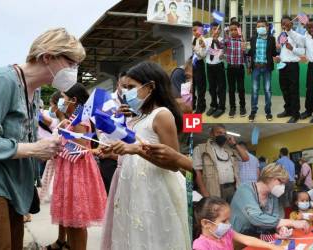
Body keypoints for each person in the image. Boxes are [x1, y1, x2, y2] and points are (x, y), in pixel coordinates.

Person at [0, 28, 83, 250]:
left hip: (13, 189)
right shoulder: (4, 80)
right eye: (71, 63)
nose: (74, 70)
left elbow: (24, 140)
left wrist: (48, 148)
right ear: (47, 56)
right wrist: (33, 149)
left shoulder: (34, 90)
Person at [101, 61, 191, 250]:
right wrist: (114, 152)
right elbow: (131, 155)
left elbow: (174, 164)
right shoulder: (136, 117)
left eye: (131, 87)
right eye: (124, 87)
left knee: (154, 239)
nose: (126, 92)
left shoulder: (162, 115)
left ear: (150, 87)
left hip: (155, 189)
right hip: (133, 188)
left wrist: (134, 150)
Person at [49, 83, 107, 250]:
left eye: (63, 98)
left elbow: (81, 148)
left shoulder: (81, 119)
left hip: (77, 171)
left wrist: (57, 144)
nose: (61, 101)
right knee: (71, 220)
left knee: (77, 221)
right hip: (69, 169)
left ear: (73, 100)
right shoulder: (74, 118)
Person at [230, 164, 310, 237]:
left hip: (259, 237)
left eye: (284, 184)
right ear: (269, 177)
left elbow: (276, 218)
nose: (282, 187)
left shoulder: (272, 194)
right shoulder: (245, 190)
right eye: (280, 182)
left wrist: (281, 228)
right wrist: (292, 222)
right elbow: (256, 218)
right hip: (239, 239)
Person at [193, 196, 282, 250]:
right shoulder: (200, 245)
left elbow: (247, 240)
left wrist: (271, 246)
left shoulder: (226, 232)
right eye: (224, 221)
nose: (229, 224)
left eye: (229, 219)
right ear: (205, 223)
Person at [193, 124, 249, 203]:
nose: (222, 135)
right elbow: (197, 172)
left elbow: (246, 158)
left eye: (224, 134)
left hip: (232, 188)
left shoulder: (230, 150)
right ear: (211, 134)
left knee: (232, 211)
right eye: (219, 133)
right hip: (214, 189)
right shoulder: (200, 149)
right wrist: (204, 193)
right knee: (218, 213)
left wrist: (234, 144)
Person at [247, 18, 278, 122]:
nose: (260, 28)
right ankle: (253, 112)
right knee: (254, 91)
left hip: (266, 68)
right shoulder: (253, 39)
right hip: (255, 67)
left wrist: (277, 53)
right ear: (256, 28)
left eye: (263, 26)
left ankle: (268, 112)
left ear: (267, 27)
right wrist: (248, 65)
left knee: (268, 91)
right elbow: (251, 53)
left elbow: (274, 53)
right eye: (258, 26)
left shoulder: (271, 39)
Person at [277, 16, 305, 123]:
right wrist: (278, 57)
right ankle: (287, 110)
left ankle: (295, 114)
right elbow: (280, 50)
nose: (285, 25)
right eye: (283, 23)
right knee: (285, 90)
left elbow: (302, 52)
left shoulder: (297, 36)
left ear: (291, 24)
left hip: (292, 66)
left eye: (287, 23)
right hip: (282, 65)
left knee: (293, 91)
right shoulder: (281, 35)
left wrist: (292, 49)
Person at [224, 21, 247, 118]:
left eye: (235, 29)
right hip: (230, 68)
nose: (233, 31)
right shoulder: (227, 41)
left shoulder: (242, 41)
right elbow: (220, 43)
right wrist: (225, 32)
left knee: (241, 89)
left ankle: (242, 107)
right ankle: (232, 108)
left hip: (240, 68)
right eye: (231, 30)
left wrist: (248, 66)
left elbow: (246, 54)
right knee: (231, 89)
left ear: (238, 30)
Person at [205, 22, 226, 118]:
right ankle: (213, 105)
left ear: (220, 30)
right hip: (209, 66)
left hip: (218, 66)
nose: (216, 31)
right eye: (214, 29)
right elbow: (204, 52)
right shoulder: (207, 40)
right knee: (212, 88)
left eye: (217, 29)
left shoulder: (222, 40)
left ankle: (221, 107)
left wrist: (215, 40)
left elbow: (220, 52)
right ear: (211, 30)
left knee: (221, 88)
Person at [192, 21, 208, 114]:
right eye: (194, 30)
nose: (196, 32)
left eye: (198, 30)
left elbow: (202, 55)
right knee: (192, 87)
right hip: (190, 64)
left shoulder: (203, 41)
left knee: (200, 87)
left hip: (199, 64)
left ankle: (200, 106)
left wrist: (194, 48)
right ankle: (192, 104)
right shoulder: (191, 38)